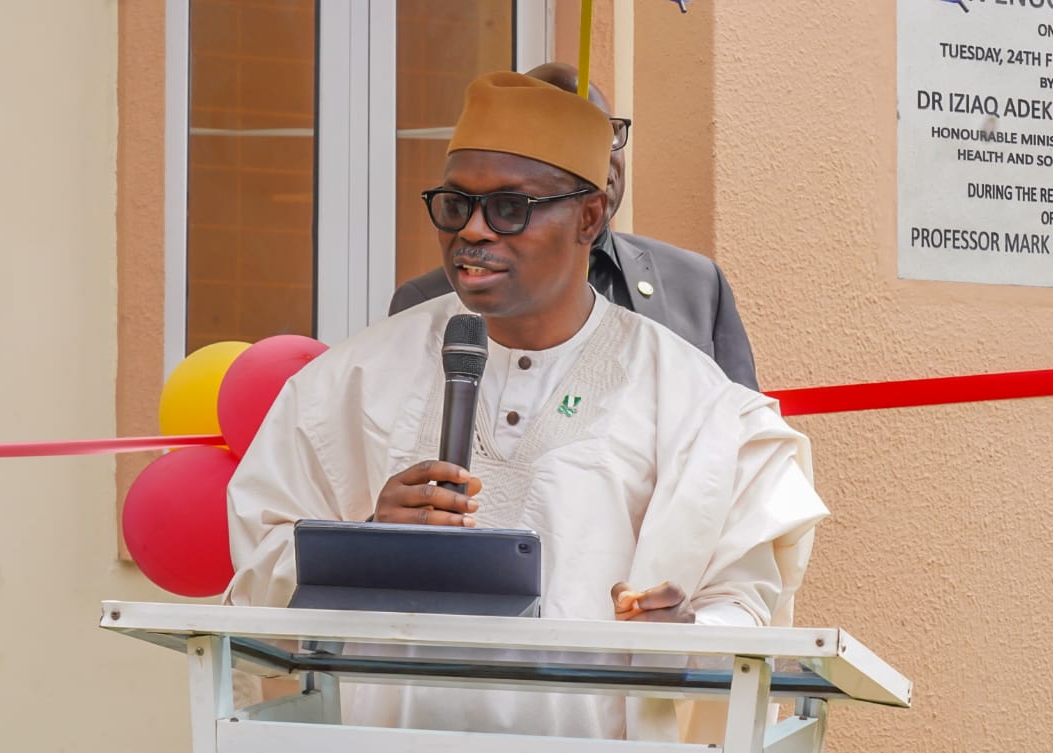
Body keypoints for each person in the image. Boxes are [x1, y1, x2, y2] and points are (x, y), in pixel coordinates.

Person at [225, 71, 827, 741]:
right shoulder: (352, 380)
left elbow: (744, 601)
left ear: (589, 217)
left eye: (509, 208)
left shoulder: (689, 398)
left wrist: (687, 633)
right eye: (455, 205)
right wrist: (363, 544)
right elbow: (256, 576)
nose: (473, 231)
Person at [389, 62, 760, 390]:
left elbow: (737, 425)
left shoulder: (695, 282)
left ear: (590, 214)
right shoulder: (427, 300)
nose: (599, 157)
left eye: (607, 132)